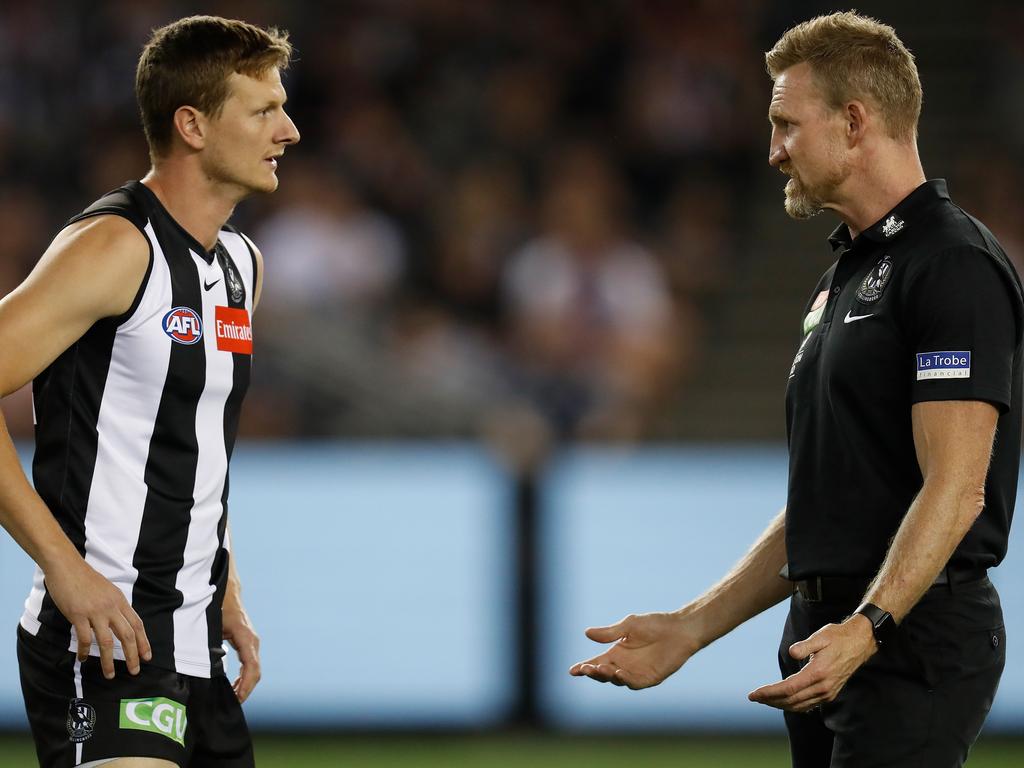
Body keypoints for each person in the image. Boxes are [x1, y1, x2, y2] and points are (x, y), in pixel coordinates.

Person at [570, 11, 1022, 767]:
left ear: (854, 121)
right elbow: (827, 503)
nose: (773, 151)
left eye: (785, 124)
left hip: (910, 638)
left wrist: (869, 626)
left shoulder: (952, 265)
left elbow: (958, 487)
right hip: (826, 628)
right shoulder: (843, 276)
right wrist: (691, 626)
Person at [4, 15, 299, 768]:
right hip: (102, 644)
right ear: (193, 124)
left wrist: (224, 581)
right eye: (263, 110)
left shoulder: (242, 265)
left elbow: (193, 444)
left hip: (195, 643)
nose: (289, 130)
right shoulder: (114, 246)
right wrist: (68, 574)